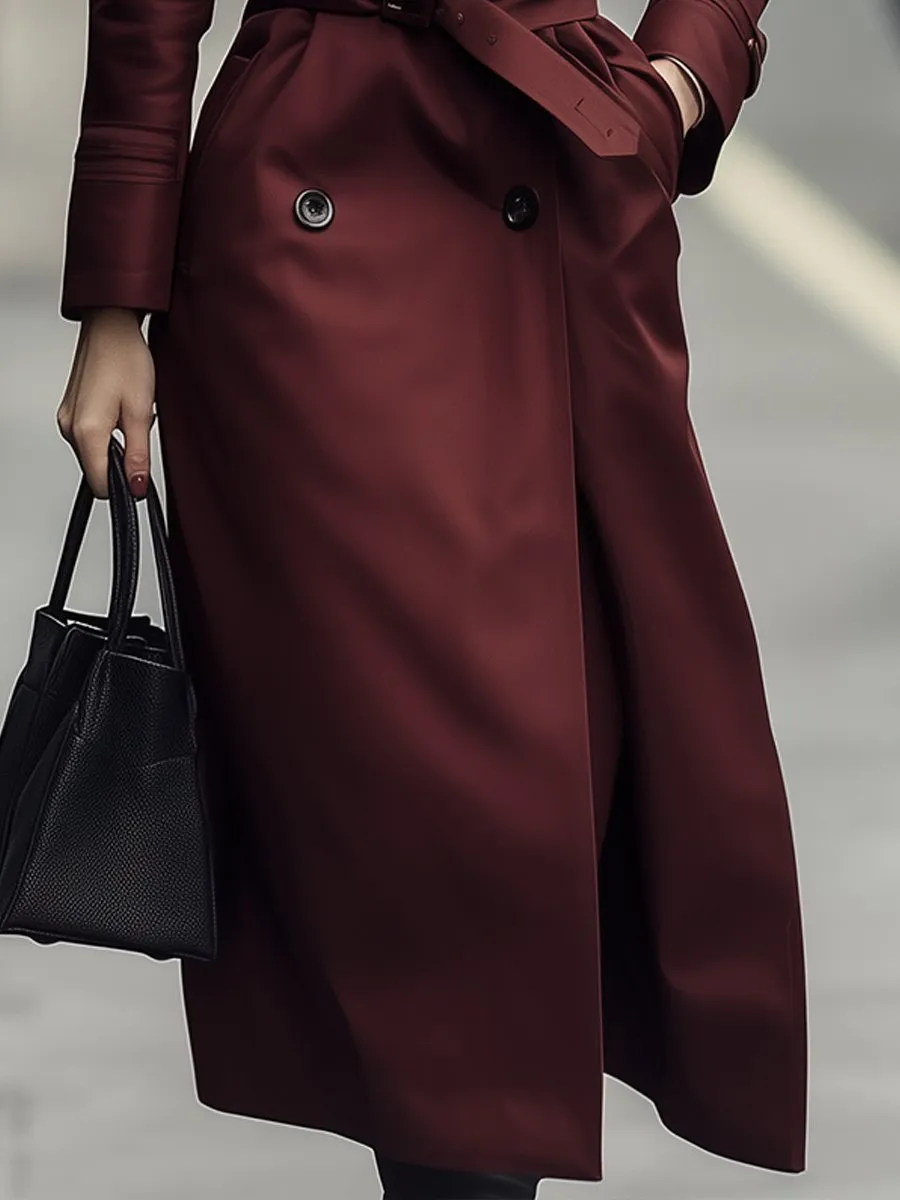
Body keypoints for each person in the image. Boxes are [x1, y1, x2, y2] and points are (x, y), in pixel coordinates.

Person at [55, 2, 807, 1197]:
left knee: (535, 792)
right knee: (417, 819)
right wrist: (114, 297)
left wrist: (684, 75)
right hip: (306, 238)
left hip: (562, 188)